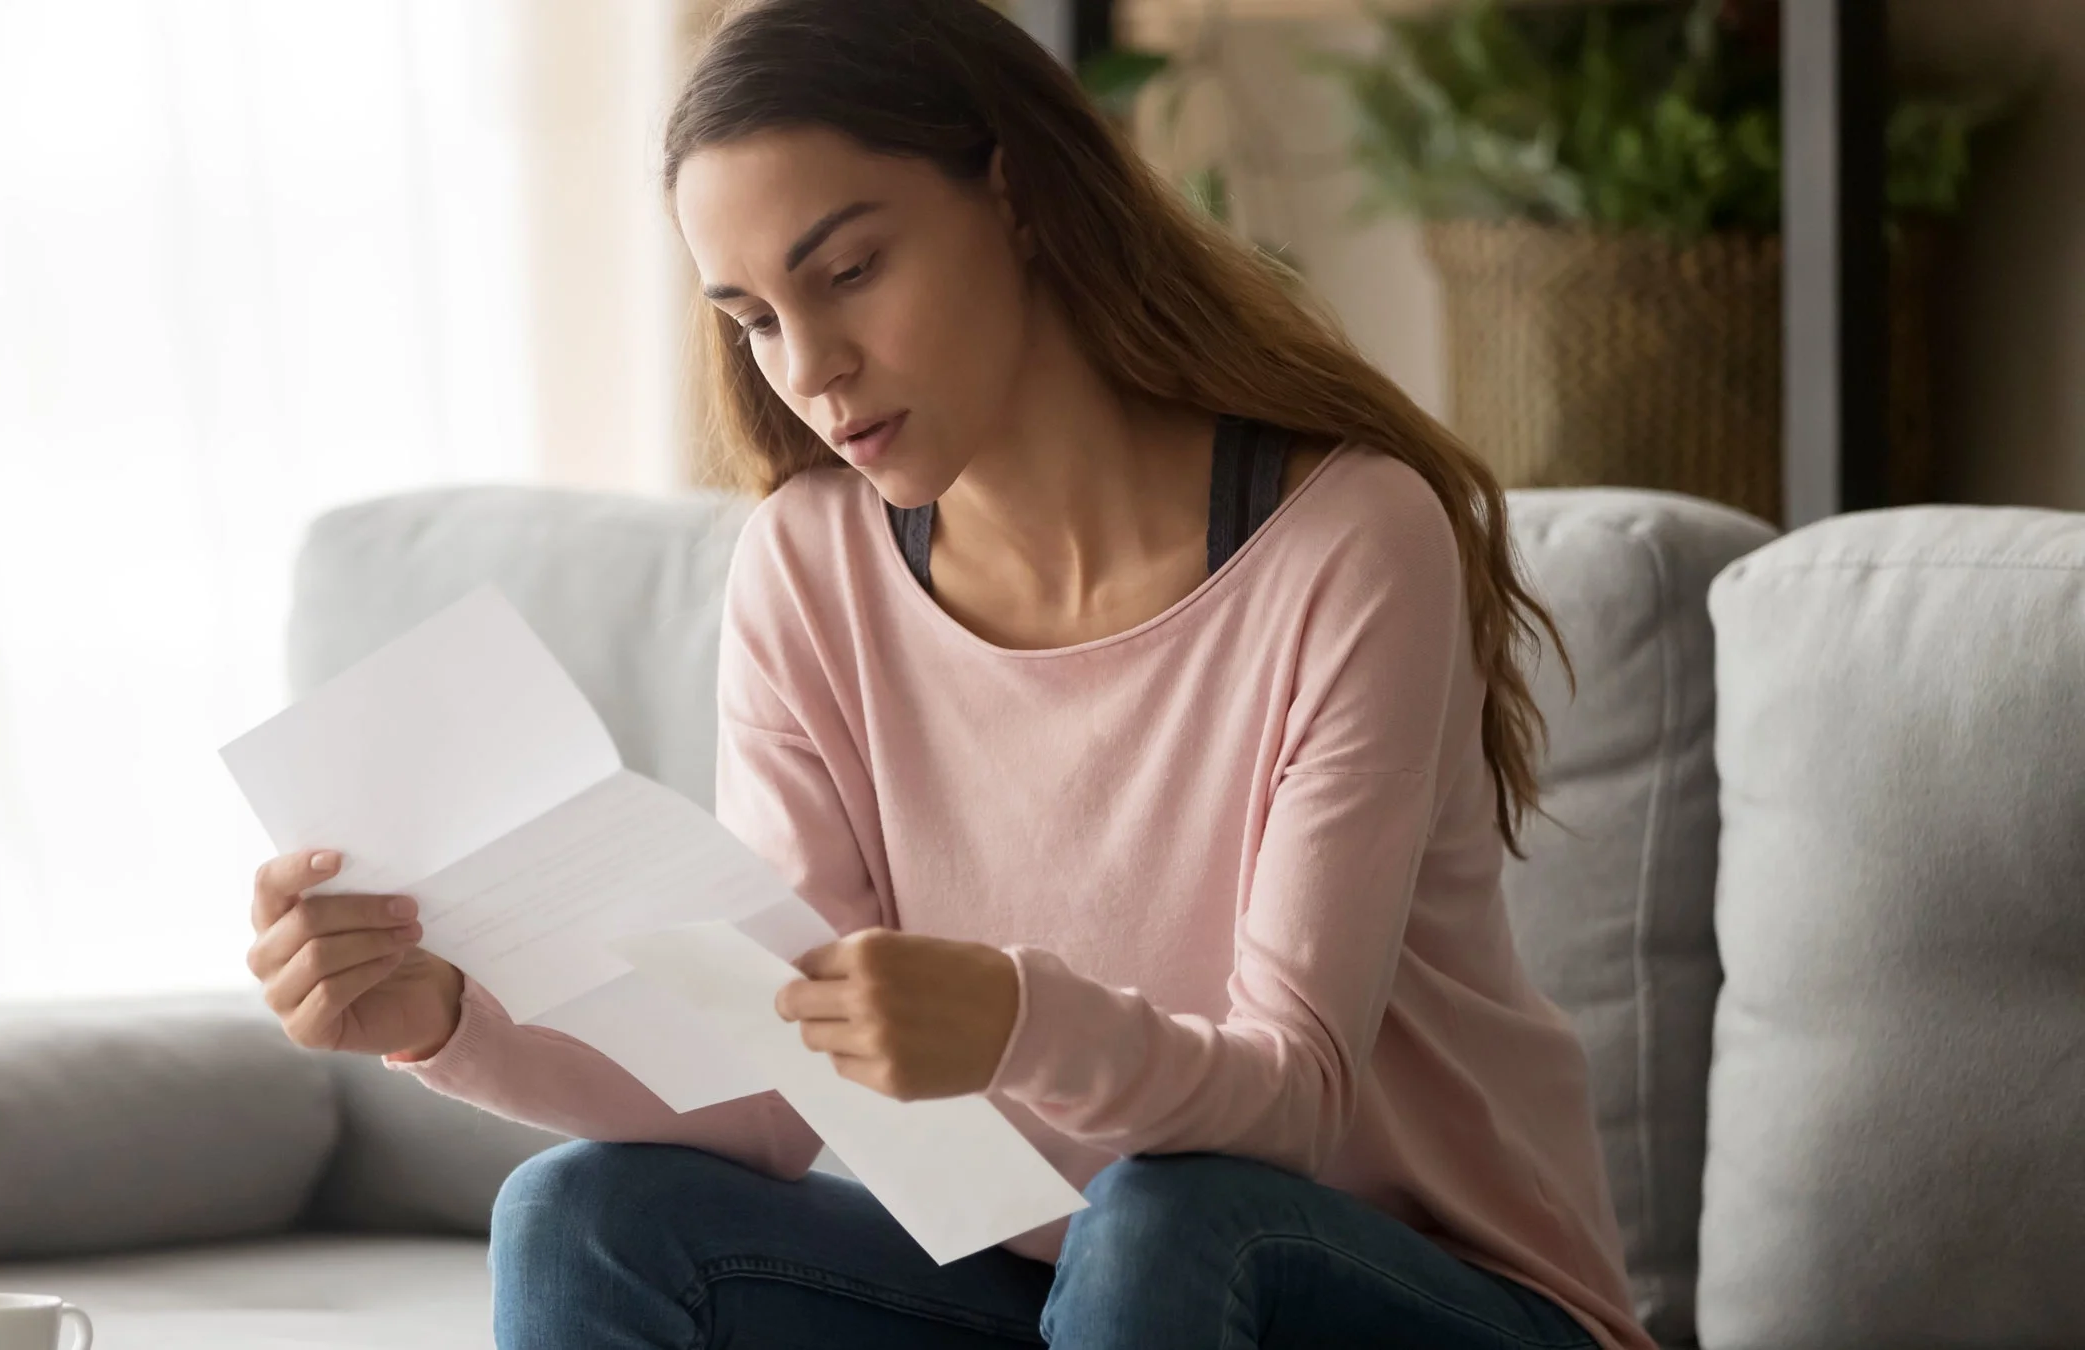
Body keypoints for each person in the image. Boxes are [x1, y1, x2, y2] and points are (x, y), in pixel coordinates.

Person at [243, 2, 1656, 1346]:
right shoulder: (808, 568)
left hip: (1430, 1297)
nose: (815, 367)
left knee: (1165, 1215)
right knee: (583, 1217)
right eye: (754, 318)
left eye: (849, 272)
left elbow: (1293, 1097)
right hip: (1080, 1292)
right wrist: (445, 1020)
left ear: (1018, 194)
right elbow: (778, 1091)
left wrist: (1015, 1020)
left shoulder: (1346, 540)